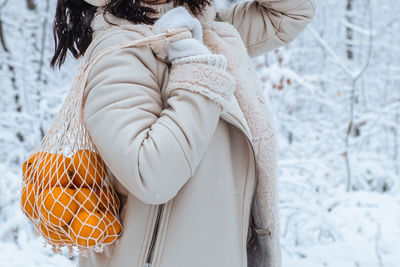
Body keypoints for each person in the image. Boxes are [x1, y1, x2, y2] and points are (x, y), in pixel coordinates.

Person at [50, 0, 316, 266]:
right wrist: (198, 72)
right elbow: (151, 175)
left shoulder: (205, 30)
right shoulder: (119, 50)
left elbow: (291, 13)